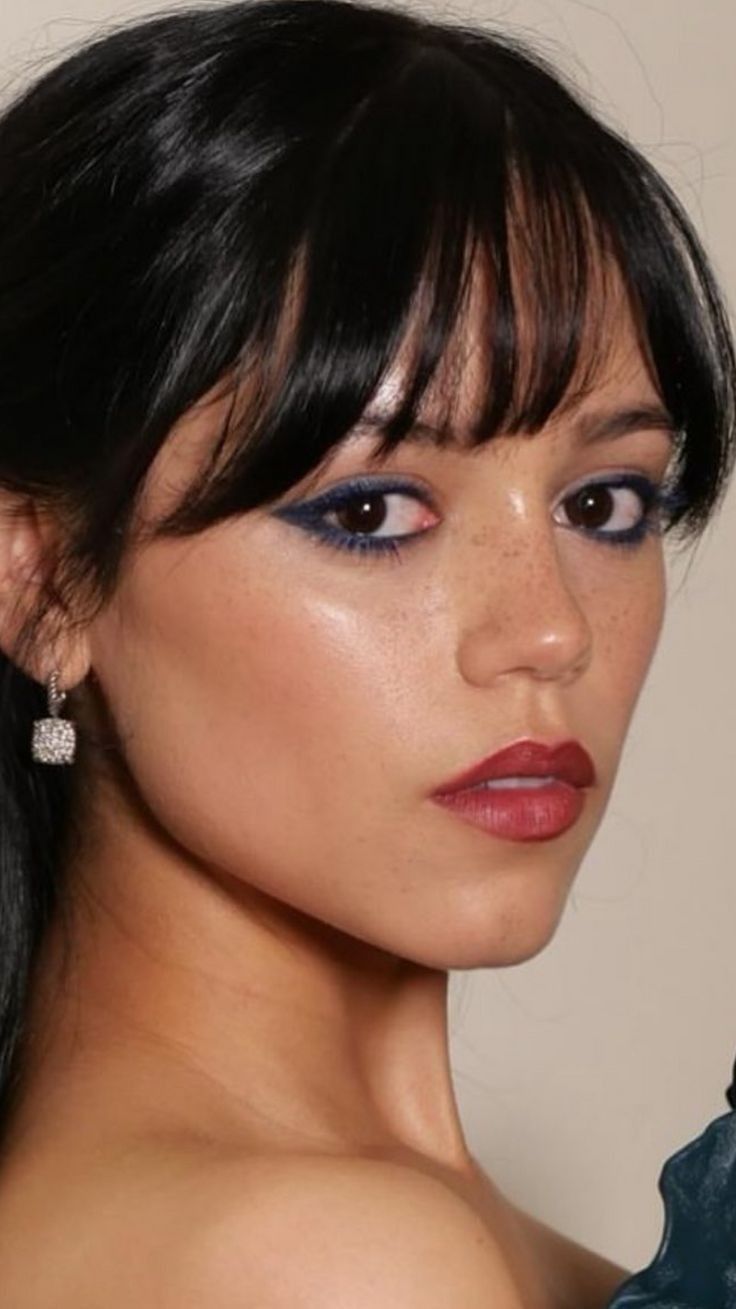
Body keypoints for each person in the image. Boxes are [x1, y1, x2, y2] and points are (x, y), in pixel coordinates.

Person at [0, 1, 732, 1304]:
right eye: (370, 511)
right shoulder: (321, 1262)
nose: (552, 626)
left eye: (604, 503)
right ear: (40, 580)